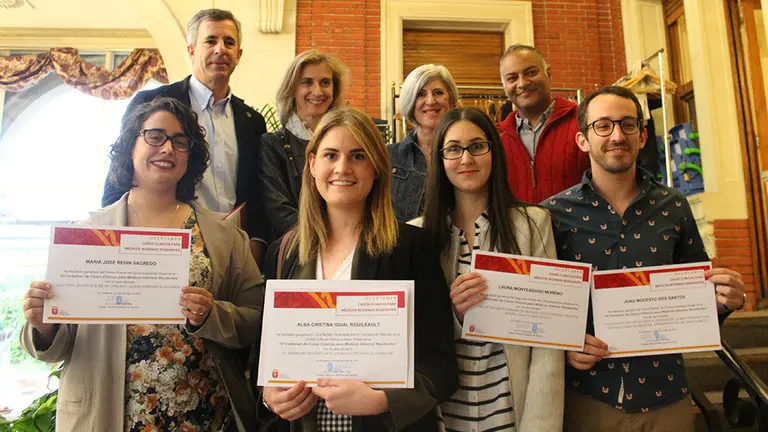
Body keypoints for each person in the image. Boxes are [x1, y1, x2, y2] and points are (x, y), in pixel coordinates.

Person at [22, 98, 265, 431]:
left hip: (201, 415)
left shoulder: (225, 236)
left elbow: (255, 319)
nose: (168, 148)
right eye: (155, 136)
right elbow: (54, 346)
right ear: (130, 145)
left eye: (181, 141)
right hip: (109, 414)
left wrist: (212, 315)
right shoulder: (85, 236)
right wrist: (43, 324)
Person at [540, 86, 746, 432]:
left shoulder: (675, 207)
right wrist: (563, 348)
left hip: (666, 398)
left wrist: (724, 303)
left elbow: (697, 305)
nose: (617, 135)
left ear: (642, 135)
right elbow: (542, 310)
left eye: (627, 125)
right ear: (582, 140)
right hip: (588, 400)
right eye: (603, 125)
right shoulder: (552, 214)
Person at [258, 107, 458, 431]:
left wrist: (383, 401)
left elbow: (442, 367)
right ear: (312, 164)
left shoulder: (411, 248)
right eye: (330, 155)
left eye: (358, 156)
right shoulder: (284, 253)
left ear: (377, 167)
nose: (342, 168)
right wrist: (270, 395)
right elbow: (263, 360)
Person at [413, 107, 564, 431]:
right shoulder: (417, 236)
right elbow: (410, 338)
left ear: (493, 152)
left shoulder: (532, 226)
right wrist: (451, 313)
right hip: (443, 416)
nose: (466, 159)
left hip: (511, 413)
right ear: (440, 159)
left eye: (477, 146)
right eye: (453, 149)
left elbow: (548, 341)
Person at [101, 8, 268, 262]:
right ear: (191, 51)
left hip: (231, 252)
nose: (220, 49)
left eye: (229, 42)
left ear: (239, 55)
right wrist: (111, 245)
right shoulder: (154, 103)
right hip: (161, 245)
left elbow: (256, 192)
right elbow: (120, 174)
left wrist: (255, 244)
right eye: (210, 41)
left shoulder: (252, 121)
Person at [257, 50, 349, 243]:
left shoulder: (350, 141)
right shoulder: (272, 145)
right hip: (296, 249)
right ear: (292, 89)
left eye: (325, 82)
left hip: (347, 246)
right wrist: (326, 241)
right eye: (307, 82)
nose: (317, 91)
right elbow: (278, 210)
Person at [497, 44, 589, 203]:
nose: (522, 83)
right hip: (518, 228)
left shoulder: (584, 121)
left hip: (578, 227)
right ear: (504, 87)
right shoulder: (496, 137)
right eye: (512, 78)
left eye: (531, 72)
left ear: (549, 74)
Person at [389, 64, 459, 221]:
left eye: (438, 93)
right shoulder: (387, 157)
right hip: (402, 245)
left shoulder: (466, 156)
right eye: (421, 94)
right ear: (410, 103)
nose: (430, 101)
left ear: (452, 101)